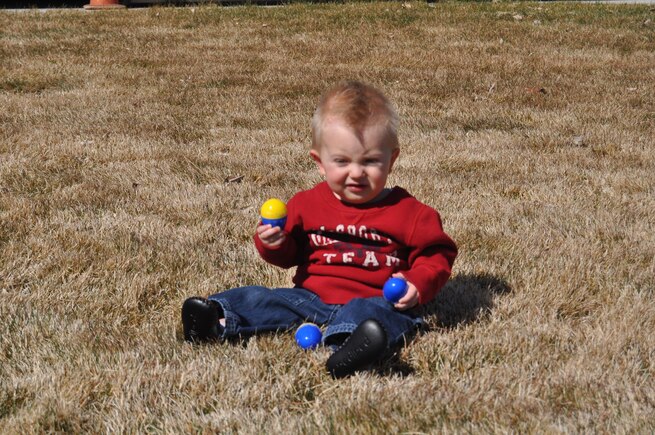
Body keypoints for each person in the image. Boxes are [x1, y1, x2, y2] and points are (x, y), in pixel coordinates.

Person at [182, 80, 458, 378]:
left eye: (370, 161)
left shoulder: (410, 213)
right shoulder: (305, 204)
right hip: (310, 298)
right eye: (342, 161)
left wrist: (418, 281)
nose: (356, 173)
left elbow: (437, 255)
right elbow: (290, 255)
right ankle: (216, 319)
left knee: (379, 317)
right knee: (267, 298)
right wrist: (274, 243)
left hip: (375, 298)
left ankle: (353, 347)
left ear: (391, 160)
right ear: (320, 163)